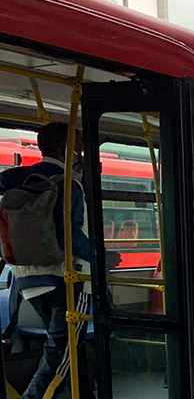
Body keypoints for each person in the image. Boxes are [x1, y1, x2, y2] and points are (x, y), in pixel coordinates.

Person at [0, 122, 104, 399]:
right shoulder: (70, 185)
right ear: (66, 150)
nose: (81, 156)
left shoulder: (22, 179)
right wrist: (101, 256)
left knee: (69, 347)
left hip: (26, 281)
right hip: (66, 279)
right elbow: (70, 235)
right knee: (60, 354)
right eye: (79, 150)